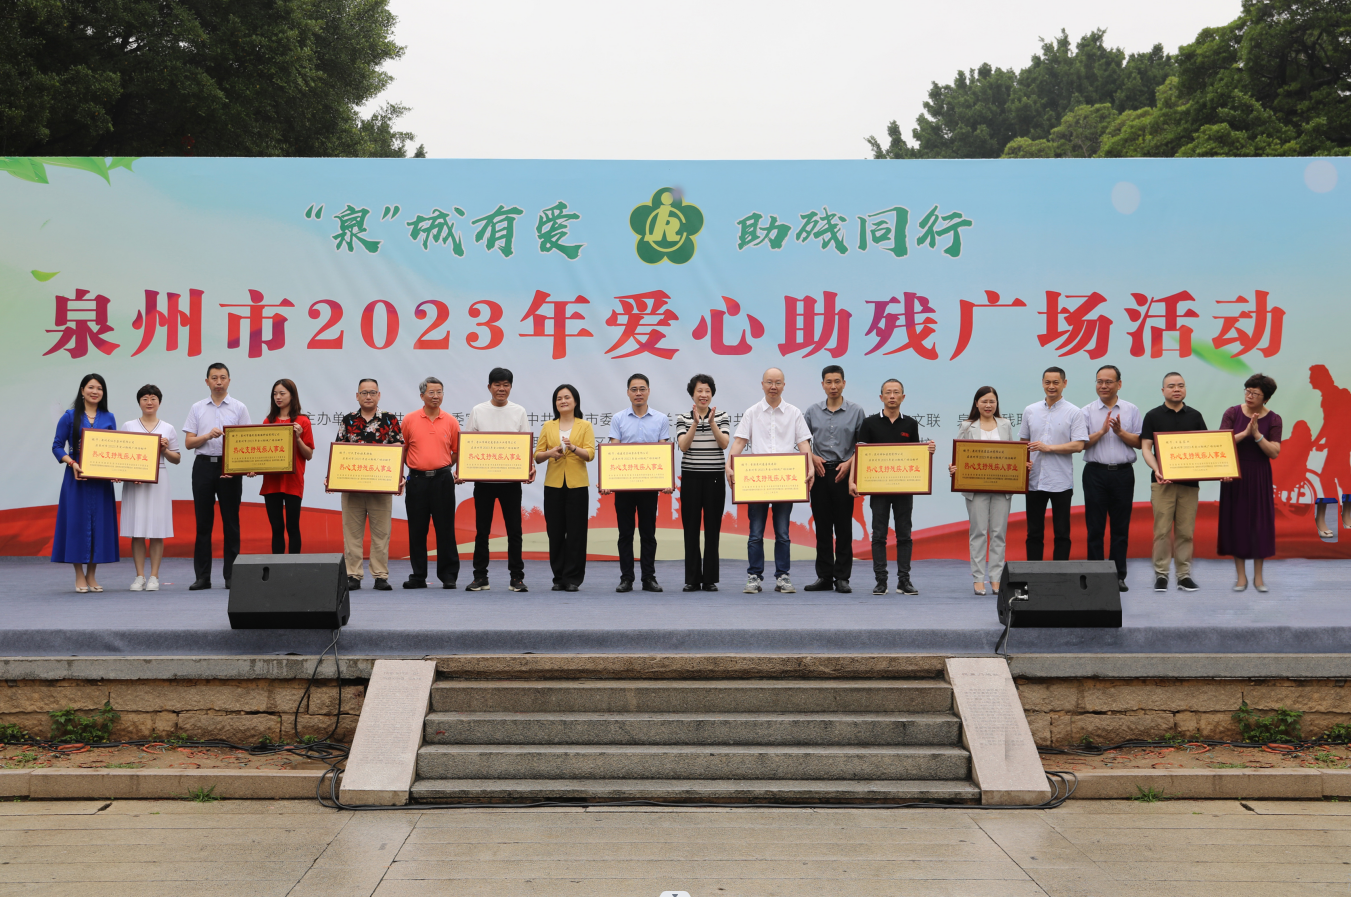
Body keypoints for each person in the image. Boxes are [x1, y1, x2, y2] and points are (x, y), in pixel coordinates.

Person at [727, 367, 814, 594]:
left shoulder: (794, 413)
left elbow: (803, 444)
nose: (773, 386)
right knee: (755, 533)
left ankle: (782, 577)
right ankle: (754, 577)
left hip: (785, 481)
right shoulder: (752, 412)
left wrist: (811, 466)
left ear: (784, 385)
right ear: (762, 384)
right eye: (769, 382)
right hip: (757, 482)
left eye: (777, 382)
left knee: (782, 533)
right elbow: (739, 442)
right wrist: (729, 465)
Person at [851, 379, 935, 596]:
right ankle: (881, 581)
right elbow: (860, 455)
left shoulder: (910, 424)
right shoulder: (869, 423)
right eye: (888, 392)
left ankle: (904, 581)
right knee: (879, 535)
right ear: (881, 397)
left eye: (896, 392)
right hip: (878, 489)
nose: (892, 396)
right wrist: (854, 481)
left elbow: (915, 456)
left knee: (904, 534)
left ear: (903, 397)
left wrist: (927, 451)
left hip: (903, 489)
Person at [461, 367, 535, 593]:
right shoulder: (478, 410)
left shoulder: (519, 411)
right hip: (483, 483)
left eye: (506, 385)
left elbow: (525, 446)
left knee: (515, 531)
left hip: (511, 483)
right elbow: (469, 445)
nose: (501, 389)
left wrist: (529, 467)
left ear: (511, 387)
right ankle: (480, 577)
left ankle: (517, 578)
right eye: (497, 385)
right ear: (489, 387)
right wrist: (463, 470)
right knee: (482, 531)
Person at [183, 363, 251, 590]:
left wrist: (242, 467)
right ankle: (203, 577)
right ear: (207, 382)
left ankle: (232, 576)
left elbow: (246, 441)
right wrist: (206, 436)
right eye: (214, 378)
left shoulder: (239, 407)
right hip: (203, 466)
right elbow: (188, 443)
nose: (219, 382)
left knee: (231, 523)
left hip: (229, 468)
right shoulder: (197, 408)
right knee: (203, 523)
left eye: (223, 377)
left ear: (229, 380)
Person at [604, 373, 673, 592]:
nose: (638, 393)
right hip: (624, 487)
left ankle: (648, 578)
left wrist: (666, 481)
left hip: (649, 487)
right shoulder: (618, 419)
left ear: (649, 391)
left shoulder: (660, 419)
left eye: (642, 389)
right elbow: (613, 452)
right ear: (628, 392)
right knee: (625, 534)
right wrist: (608, 480)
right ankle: (626, 578)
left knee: (648, 534)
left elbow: (663, 452)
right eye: (634, 389)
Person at [333, 378, 403, 591]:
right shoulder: (348, 420)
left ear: (379, 395)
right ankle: (353, 574)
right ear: (357, 396)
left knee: (381, 533)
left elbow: (398, 448)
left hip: (381, 487)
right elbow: (339, 450)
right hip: (352, 487)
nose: (368, 396)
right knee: (352, 533)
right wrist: (332, 476)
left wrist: (398, 477)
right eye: (364, 392)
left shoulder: (389, 419)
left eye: (373, 392)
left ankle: (380, 575)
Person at [51, 373, 119, 592]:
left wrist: (116, 471)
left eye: (99, 388)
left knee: (99, 525)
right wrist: (72, 462)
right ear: (82, 391)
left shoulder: (109, 417)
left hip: (101, 481)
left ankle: (92, 575)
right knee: (77, 524)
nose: (95, 391)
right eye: (91, 387)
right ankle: (79, 575)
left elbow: (113, 449)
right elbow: (57, 446)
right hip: (76, 478)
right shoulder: (69, 416)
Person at [1140, 372, 1207, 592]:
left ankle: (1184, 575)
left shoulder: (1195, 416)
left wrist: (1219, 469)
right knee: (1161, 531)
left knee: (1185, 532)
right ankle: (1161, 575)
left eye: (1180, 385)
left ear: (1185, 389)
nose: (1176, 389)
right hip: (1162, 482)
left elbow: (1207, 446)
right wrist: (1157, 469)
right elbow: (1146, 448)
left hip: (1190, 484)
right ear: (1163, 390)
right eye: (1171, 386)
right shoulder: (1152, 415)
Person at [803, 365, 866, 594]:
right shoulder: (812, 411)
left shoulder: (856, 411)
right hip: (819, 474)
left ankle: (842, 577)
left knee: (843, 528)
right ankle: (824, 576)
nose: (833, 386)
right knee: (822, 528)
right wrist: (812, 457)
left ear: (844, 383)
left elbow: (862, 446)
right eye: (828, 382)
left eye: (837, 381)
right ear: (822, 384)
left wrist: (849, 463)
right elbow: (801, 441)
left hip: (844, 474)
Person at [1080, 365, 1143, 592]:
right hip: (1095, 473)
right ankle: (1096, 576)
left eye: (1108, 381)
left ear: (1119, 384)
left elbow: (1140, 443)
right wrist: (1101, 432)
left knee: (1120, 528)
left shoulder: (1131, 410)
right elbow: (1080, 444)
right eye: (1099, 381)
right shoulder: (1086, 411)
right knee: (1095, 528)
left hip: (1123, 474)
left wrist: (1120, 433)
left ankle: (1118, 576)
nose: (1103, 386)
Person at [949, 386, 1016, 595]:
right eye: (984, 401)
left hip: (1002, 487)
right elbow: (959, 455)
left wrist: (1022, 466)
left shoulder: (1005, 424)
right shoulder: (967, 425)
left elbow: (1013, 453)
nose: (988, 405)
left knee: (999, 533)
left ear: (997, 404)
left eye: (992, 401)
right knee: (978, 532)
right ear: (976, 403)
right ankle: (978, 578)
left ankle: (996, 578)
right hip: (976, 488)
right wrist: (954, 468)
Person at [1219, 374, 1283, 592]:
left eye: (1255, 393)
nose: (1249, 395)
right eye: (1247, 390)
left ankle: (1258, 578)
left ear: (1266, 398)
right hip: (1234, 473)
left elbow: (1274, 452)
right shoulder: (1232, 413)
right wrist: (1245, 432)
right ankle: (1240, 577)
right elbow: (1221, 442)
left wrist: (1256, 435)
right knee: (1237, 524)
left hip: (1259, 475)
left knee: (1259, 525)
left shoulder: (1274, 419)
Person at [1018, 366, 1088, 562]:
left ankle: (1060, 574)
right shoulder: (1030, 410)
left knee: (1062, 533)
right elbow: (1023, 443)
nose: (1051, 386)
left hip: (1061, 481)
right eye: (1047, 382)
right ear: (1042, 383)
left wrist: (1049, 448)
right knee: (1034, 532)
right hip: (1034, 480)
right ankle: (1033, 572)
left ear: (1064, 384)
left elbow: (1079, 445)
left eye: (1056, 382)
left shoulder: (1074, 412)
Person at [535, 384, 595, 591]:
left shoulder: (585, 426)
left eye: (567, 397)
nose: (563, 401)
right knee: (555, 532)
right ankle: (559, 578)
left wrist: (573, 447)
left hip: (577, 485)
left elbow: (590, 454)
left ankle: (573, 579)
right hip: (553, 485)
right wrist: (550, 453)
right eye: (559, 398)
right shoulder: (548, 426)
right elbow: (537, 456)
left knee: (576, 532)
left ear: (575, 401)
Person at [120, 385, 181, 591]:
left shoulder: (168, 428)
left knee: (156, 530)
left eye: (153, 398)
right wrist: (129, 474)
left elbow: (177, 458)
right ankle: (139, 576)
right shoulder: (128, 426)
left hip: (158, 480)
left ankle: (154, 576)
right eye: (145, 398)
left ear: (159, 403)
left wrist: (165, 449)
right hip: (135, 482)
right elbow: (122, 456)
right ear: (139, 402)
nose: (149, 402)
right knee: (137, 530)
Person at [402, 376, 459, 589]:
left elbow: (456, 451)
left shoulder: (451, 421)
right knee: (417, 529)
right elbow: (403, 449)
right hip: (416, 480)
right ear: (422, 396)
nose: (436, 396)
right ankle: (418, 576)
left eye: (439, 392)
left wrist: (443, 466)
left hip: (443, 480)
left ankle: (448, 575)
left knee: (445, 528)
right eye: (431, 392)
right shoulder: (409, 419)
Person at [675, 374, 730, 592]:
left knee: (712, 528)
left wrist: (712, 423)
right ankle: (692, 578)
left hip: (714, 478)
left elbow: (724, 443)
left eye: (707, 391)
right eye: (699, 391)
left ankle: (709, 579)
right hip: (690, 477)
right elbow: (683, 446)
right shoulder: (683, 418)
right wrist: (695, 424)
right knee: (691, 528)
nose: (703, 395)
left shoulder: (722, 416)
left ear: (712, 394)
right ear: (692, 394)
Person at [259, 378, 314, 555]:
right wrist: (252, 467)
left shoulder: (302, 422)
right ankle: (277, 567)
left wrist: (297, 438)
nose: (278, 397)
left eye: (282, 393)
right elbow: (262, 453)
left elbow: (309, 454)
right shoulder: (268, 421)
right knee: (276, 527)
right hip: (272, 481)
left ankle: (293, 566)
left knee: (292, 526)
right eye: (275, 394)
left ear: (292, 395)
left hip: (293, 481)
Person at [1309, 365, 1351, 539]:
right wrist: (1322, 443)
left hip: (1342, 444)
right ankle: (1343, 515)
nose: (1310, 380)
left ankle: (1329, 517)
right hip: (1336, 444)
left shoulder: (1340, 394)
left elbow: (1337, 423)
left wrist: (1318, 442)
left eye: (1312, 377)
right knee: (1343, 479)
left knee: (1331, 478)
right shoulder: (1326, 398)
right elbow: (1331, 425)